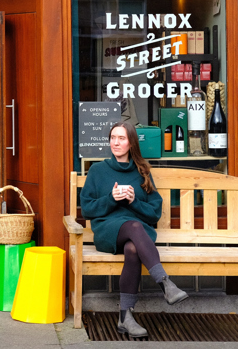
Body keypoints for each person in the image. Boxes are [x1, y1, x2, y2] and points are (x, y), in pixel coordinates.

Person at [80, 121, 188, 338]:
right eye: (113, 138)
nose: (116, 143)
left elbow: (154, 213)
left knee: (132, 248)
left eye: (121, 138)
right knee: (134, 226)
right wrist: (111, 198)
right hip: (107, 231)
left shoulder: (142, 172)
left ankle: (125, 317)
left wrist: (133, 201)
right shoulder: (98, 170)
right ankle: (165, 283)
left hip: (137, 237)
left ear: (131, 143)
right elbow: (87, 209)